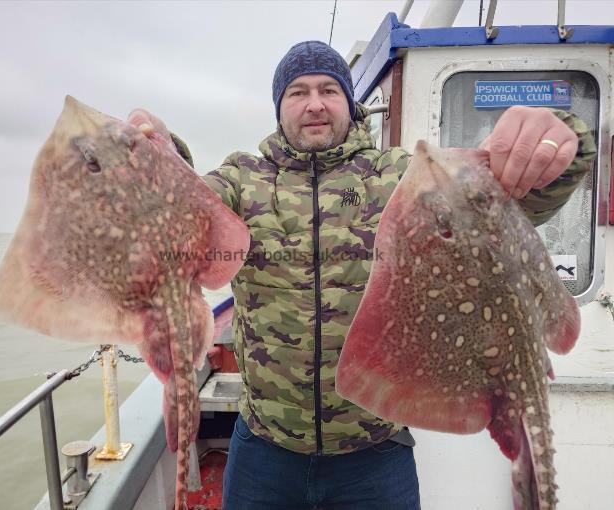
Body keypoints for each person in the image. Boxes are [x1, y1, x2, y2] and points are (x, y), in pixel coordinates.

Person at [128, 40, 596, 509]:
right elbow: (188, 211)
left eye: (329, 90)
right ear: (279, 108)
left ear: (349, 105)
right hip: (266, 451)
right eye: (298, 92)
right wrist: (160, 157)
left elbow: (499, 199)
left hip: (374, 453)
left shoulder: (398, 174)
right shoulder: (242, 179)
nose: (314, 103)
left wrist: (558, 143)